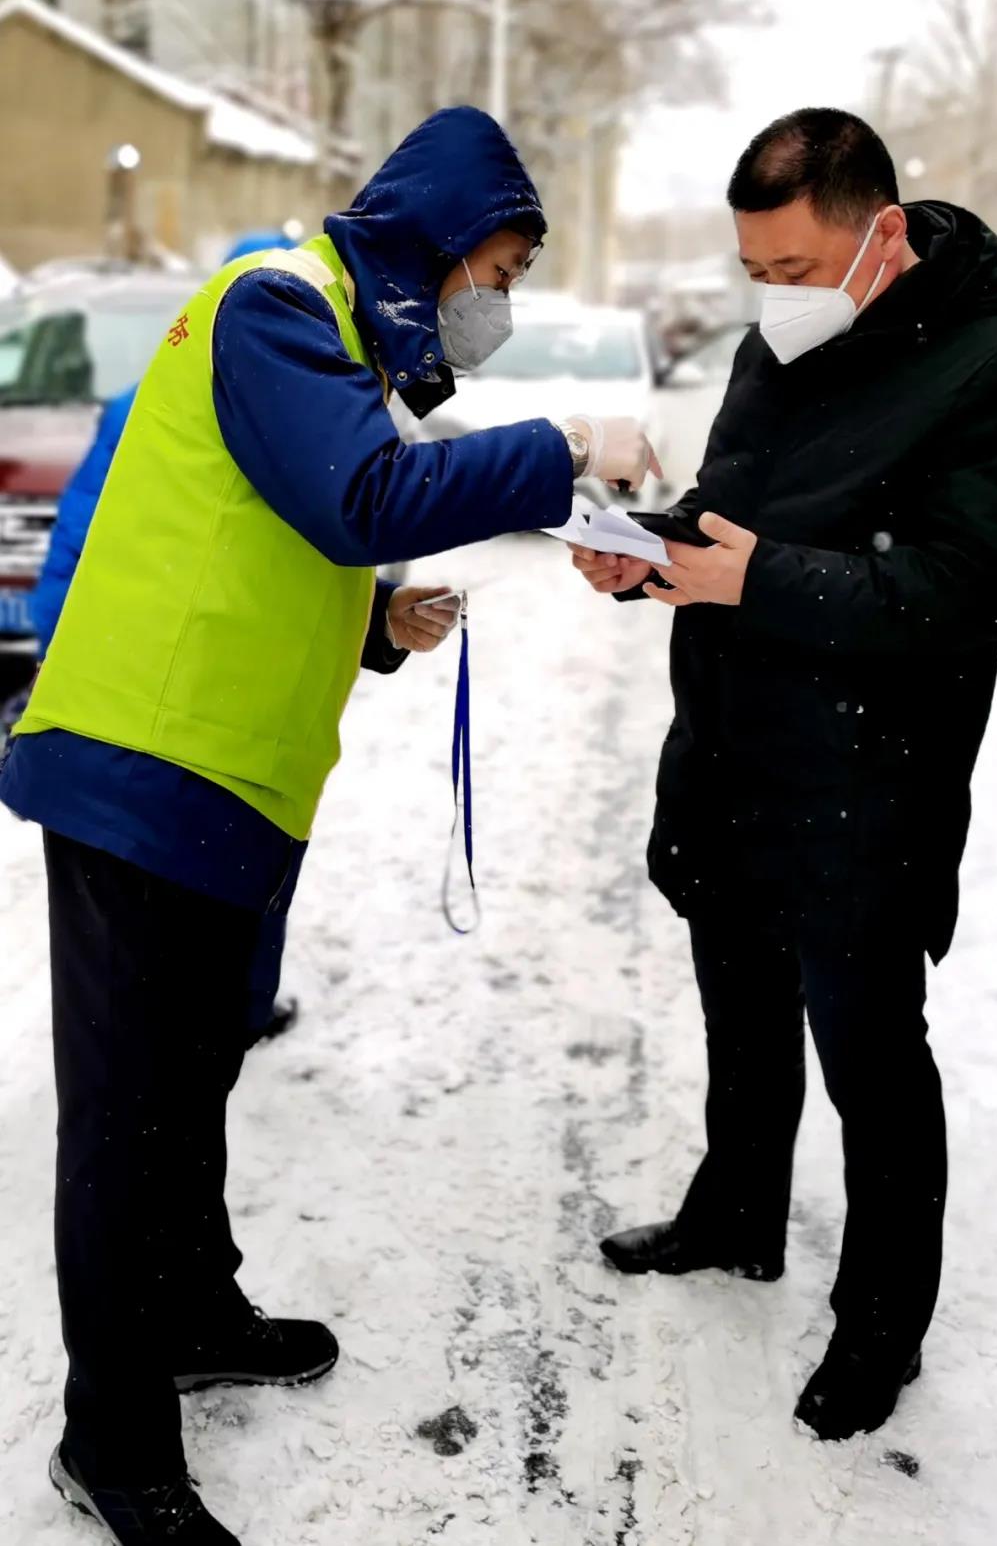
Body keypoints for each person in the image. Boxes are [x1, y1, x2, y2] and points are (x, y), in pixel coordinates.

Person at [0, 105, 658, 1545]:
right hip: (138, 766)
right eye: (500, 266)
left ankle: (186, 1310)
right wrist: (559, 441)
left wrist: (373, 618)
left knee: (190, 1076)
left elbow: (267, 530)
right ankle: (110, 1440)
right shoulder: (275, 305)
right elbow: (358, 495)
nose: (502, 299)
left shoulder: (336, 348)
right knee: (123, 1115)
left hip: (228, 780)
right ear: (434, 242)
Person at [571, 108, 997, 1442]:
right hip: (732, 754)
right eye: (754, 271)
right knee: (739, 1014)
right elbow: (739, 518)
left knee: (872, 1061)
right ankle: (736, 1211)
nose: (771, 299)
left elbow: (968, 586)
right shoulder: (769, 348)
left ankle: (881, 1323)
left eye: (793, 270)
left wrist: (757, 576)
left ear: (883, 235)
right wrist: (648, 548)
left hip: (868, 782)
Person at [29, 232, 307, 1051]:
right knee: (229, 861)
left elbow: (83, 524)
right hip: (184, 676)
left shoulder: (158, 391)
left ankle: (219, 1012)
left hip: (134, 652)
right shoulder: (224, 403)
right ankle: (238, 1010)